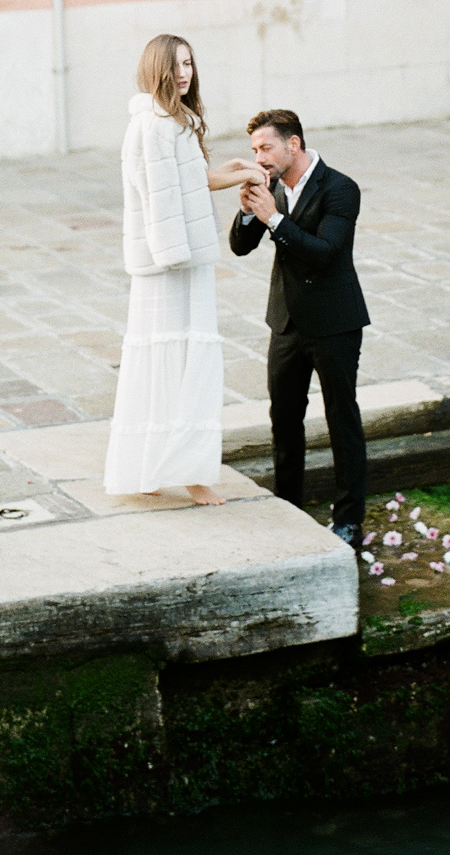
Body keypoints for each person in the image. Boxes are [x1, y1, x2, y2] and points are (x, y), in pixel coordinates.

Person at [103, 34, 263, 505]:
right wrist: (177, 254)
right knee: (177, 358)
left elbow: (186, 184)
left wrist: (231, 169)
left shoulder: (171, 122)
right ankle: (187, 473)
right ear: (156, 70)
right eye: (175, 66)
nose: (184, 73)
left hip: (175, 257)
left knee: (169, 358)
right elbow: (163, 199)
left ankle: (153, 468)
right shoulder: (155, 126)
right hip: (171, 261)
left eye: (189, 63)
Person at [229, 109, 370, 549]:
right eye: (254, 150)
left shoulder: (341, 188)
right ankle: (289, 506)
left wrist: (273, 218)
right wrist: (249, 212)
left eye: (266, 148)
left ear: (294, 144)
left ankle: (348, 519)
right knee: (284, 420)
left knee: (340, 418)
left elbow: (325, 252)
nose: (260, 158)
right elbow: (238, 247)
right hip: (286, 323)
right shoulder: (270, 186)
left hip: (334, 324)